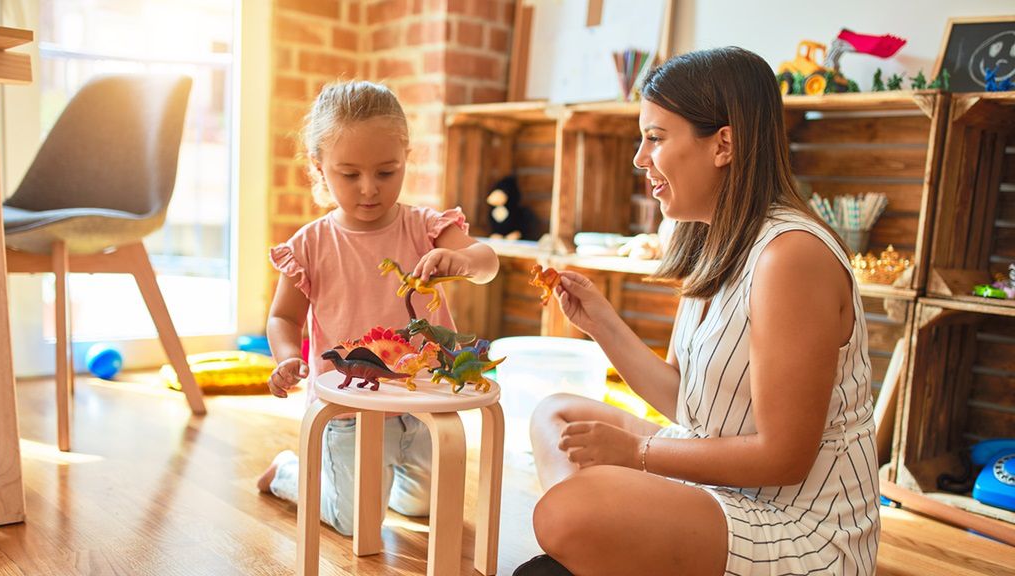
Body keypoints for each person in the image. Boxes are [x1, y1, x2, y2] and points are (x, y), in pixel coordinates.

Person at [515, 47, 879, 576]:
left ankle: (607, 543)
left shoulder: (791, 256)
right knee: (556, 413)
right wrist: (601, 324)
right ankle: (613, 544)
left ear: (723, 144)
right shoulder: (712, 242)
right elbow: (692, 408)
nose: (640, 158)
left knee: (573, 511)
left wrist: (636, 454)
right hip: (719, 486)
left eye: (656, 138)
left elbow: (785, 457)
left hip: (799, 528)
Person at [256, 80, 499, 536]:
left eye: (386, 172)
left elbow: (487, 263)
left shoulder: (426, 226)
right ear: (319, 168)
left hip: (425, 397)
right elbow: (282, 316)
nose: (369, 189)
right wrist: (287, 356)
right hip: (352, 410)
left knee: (426, 508)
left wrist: (463, 260)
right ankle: (288, 473)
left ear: (406, 157)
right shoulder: (310, 243)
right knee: (355, 523)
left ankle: (385, 480)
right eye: (349, 175)